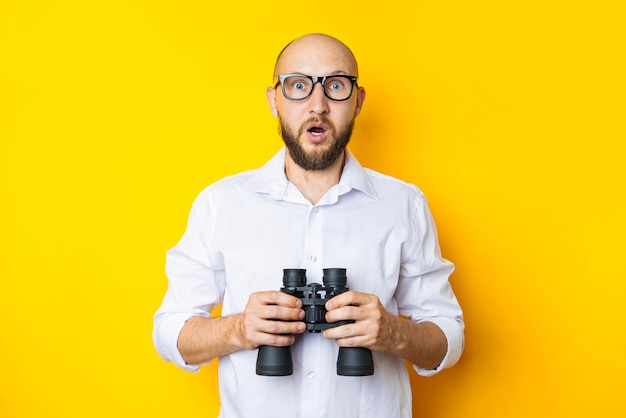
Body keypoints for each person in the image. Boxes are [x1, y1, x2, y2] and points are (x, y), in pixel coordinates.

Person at [153, 33, 464, 418]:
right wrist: (238, 329)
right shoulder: (222, 202)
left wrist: (392, 332)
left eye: (336, 86)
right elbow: (169, 332)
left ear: (358, 101)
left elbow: (448, 336)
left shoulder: (404, 204)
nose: (317, 106)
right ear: (274, 100)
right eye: (298, 85)